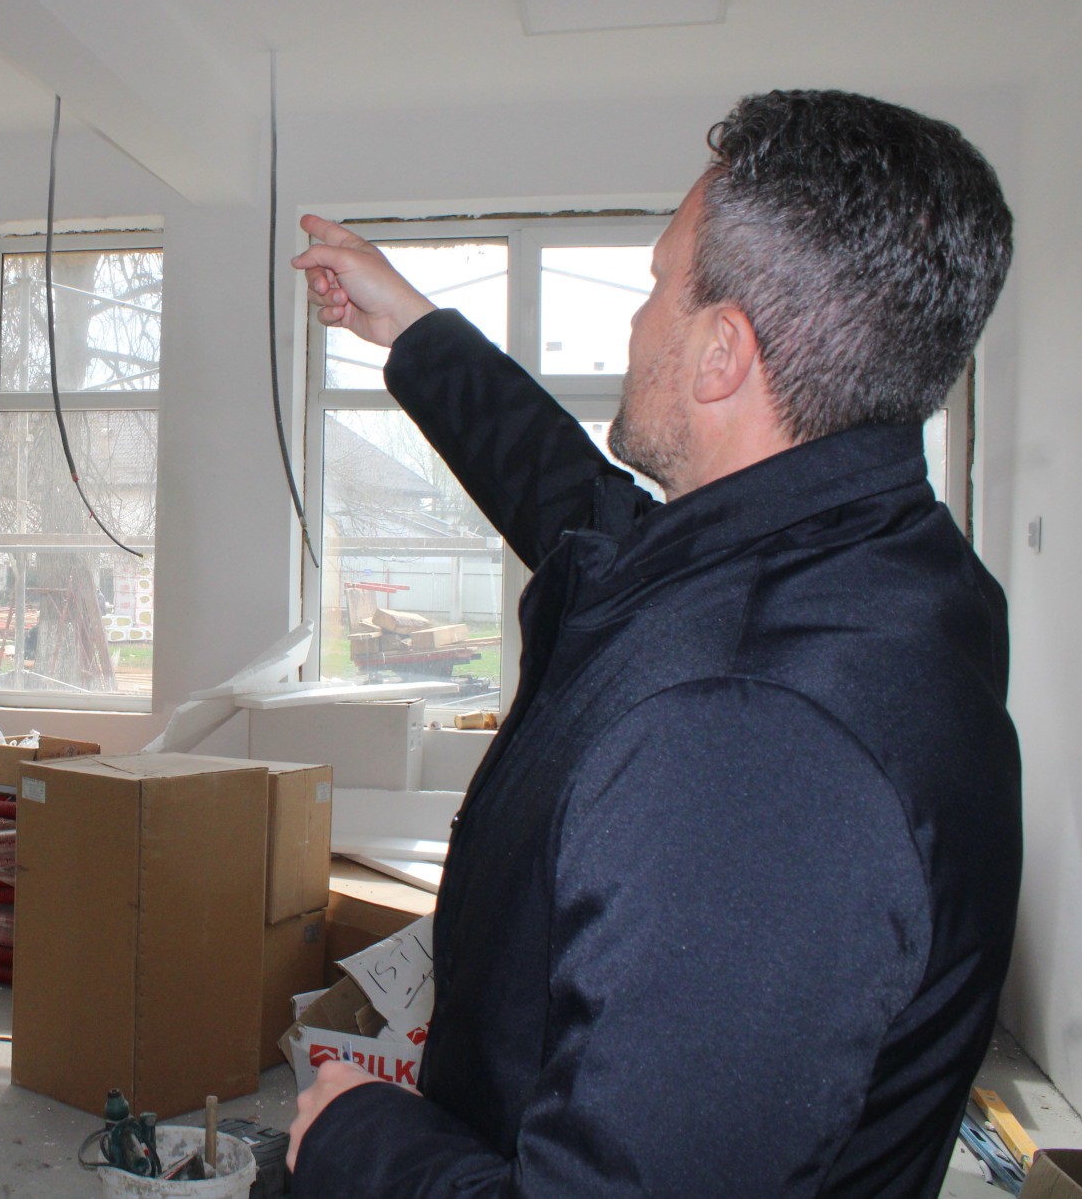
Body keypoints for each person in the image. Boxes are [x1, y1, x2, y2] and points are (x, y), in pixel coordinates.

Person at [285, 90, 1021, 1197]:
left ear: (721, 351)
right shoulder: (865, 561)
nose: (633, 326)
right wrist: (413, 331)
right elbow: (589, 526)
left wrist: (359, 1139)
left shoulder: (753, 746)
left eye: (654, 286)